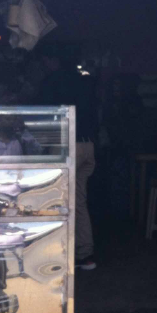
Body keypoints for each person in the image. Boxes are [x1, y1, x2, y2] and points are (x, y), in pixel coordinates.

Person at [38, 49, 98, 270]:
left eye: (45, 59)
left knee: (54, 200)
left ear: (54, 59)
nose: (44, 64)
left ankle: (56, 257)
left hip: (66, 145)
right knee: (78, 201)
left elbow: (42, 114)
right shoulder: (87, 82)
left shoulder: (52, 81)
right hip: (87, 146)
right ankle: (85, 255)